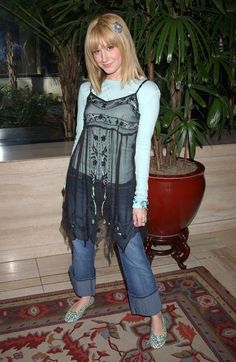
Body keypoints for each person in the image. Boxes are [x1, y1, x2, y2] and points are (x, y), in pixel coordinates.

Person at [61, 13, 167, 349]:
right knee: (80, 239)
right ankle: (84, 293)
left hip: (122, 184)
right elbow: (80, 136)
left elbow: (142, 150)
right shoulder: (86, 89)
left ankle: (154, 313)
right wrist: (70, 183)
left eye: (109, 47)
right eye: (95, 51)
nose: (103, 56)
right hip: (82, 176)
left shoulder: (145, 90)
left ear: (123, 45)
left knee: (131, 247)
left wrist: (140, 199)